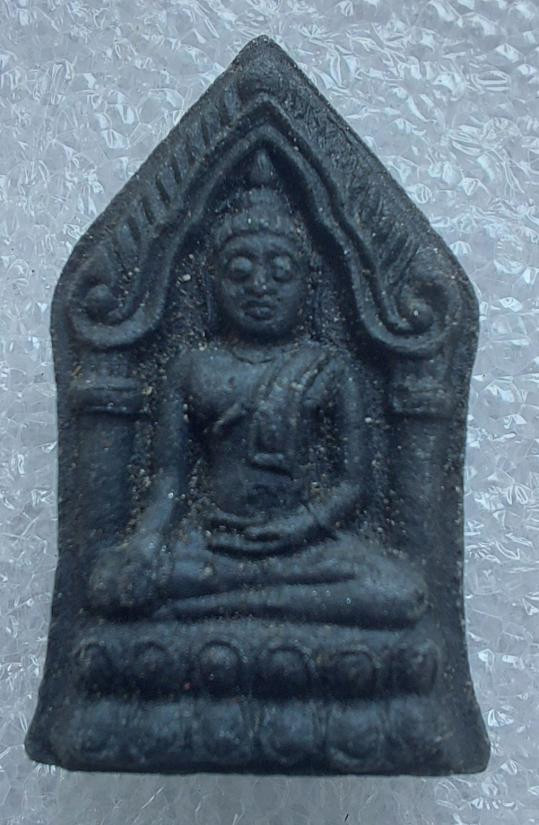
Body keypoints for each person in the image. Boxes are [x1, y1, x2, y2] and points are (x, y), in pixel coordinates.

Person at [89, 152, 426, 627]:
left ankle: (214, 607)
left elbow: (354, 484)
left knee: (401, 591)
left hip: (306, 547)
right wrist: (145, 546)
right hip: (214, 542)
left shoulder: (331, 369)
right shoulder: (192, 367)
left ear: (309, 287)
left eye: (282, 272)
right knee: (110, 586)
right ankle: (265, 602)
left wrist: (300, 526)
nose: (260, 287)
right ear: (211, 285)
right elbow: (169, 481)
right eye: (240, 272)